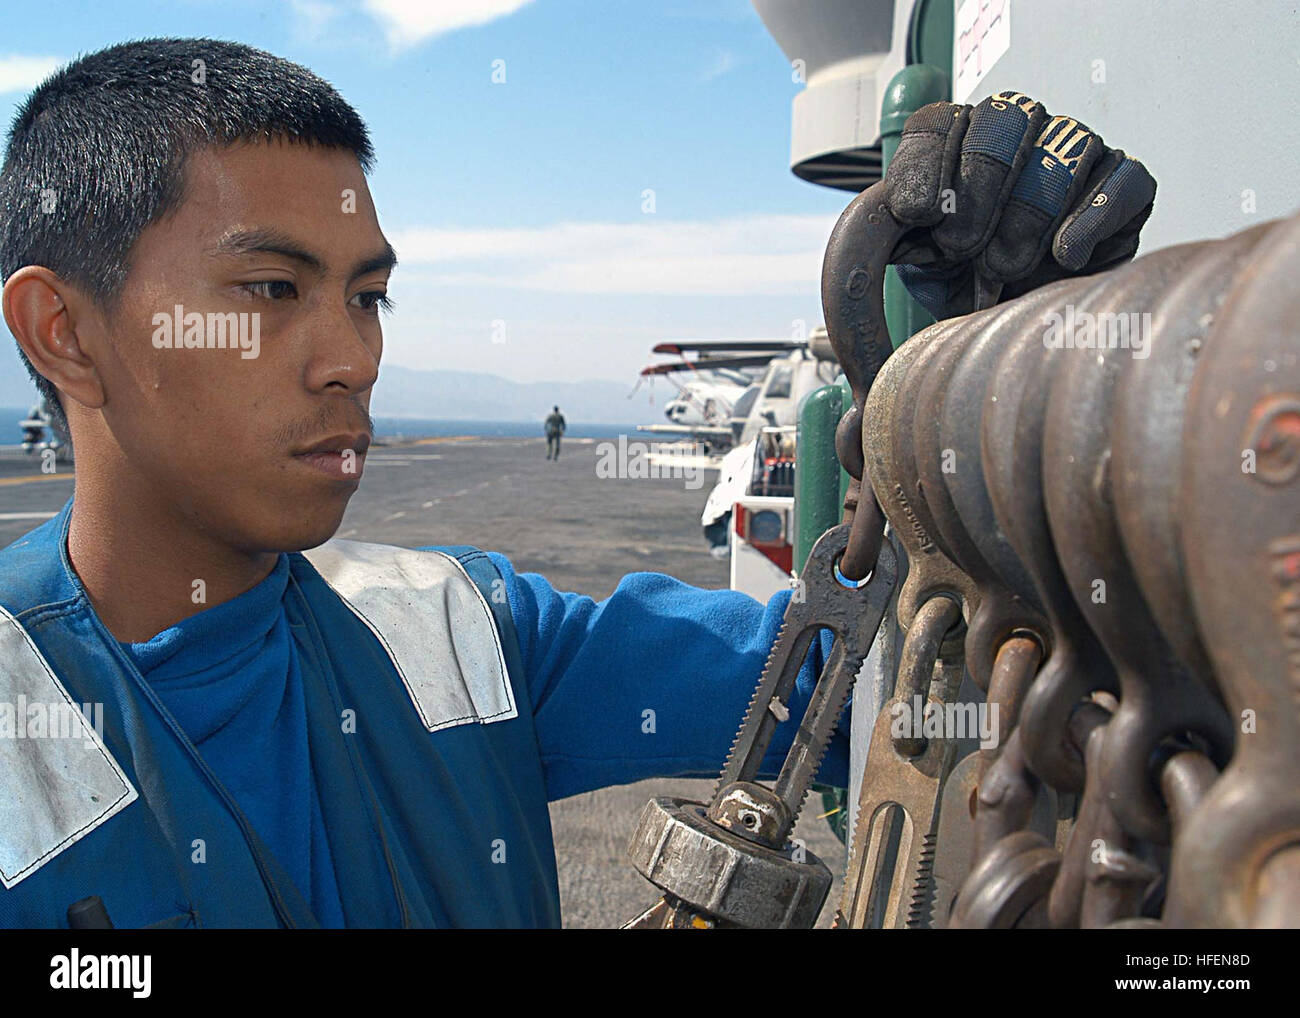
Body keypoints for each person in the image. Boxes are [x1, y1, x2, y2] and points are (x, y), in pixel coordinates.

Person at [0, 39, 1151, 928]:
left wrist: (980, 366)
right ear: (65, 332)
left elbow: (878, 684)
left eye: (367, 295)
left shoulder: (465, 632)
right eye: (268, 290)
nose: (351, 355)